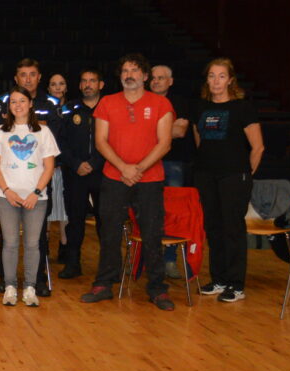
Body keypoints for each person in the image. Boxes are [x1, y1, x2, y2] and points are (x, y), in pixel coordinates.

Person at [81, 54, 176, 311]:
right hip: (115, 177)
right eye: (125, 70)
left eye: (134, 70)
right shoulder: (107, 103)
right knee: (109, 232)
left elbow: (165, 143)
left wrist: (138, 169)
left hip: (150, 179)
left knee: (152, 234)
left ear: (145, 76)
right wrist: (124, 168)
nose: (129, 75)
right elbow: (100, 141)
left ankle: (157, 288)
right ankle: (104, 284)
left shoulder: (161, 103)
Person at [192, 58, 264, 303]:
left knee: (232, 229)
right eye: (212, 76)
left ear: (230, 80)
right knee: (213, 228)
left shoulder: (243, 108)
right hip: (206, 175)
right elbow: (199, 140)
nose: (216, 81)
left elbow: (258, 147)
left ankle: (236, 284)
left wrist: (245, 174)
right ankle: (219, 279)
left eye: (221, 76)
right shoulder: (200, 107)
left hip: (234, 176)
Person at [0, 87, 59, 307]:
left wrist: (36, 193)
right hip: (6, 197)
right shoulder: (0, 131)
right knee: (10, 243)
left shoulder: (43, 132)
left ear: (30, 104)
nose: (18, 105)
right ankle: (10, 286)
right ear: (9, 106)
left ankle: (29, 287)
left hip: (36, 199)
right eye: (13, 102)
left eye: (22, 101)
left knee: (33, 244)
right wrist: (7, 191)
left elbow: (49, 167)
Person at [56, 68, 105, 278]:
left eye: (92, 81)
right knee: (75, 220)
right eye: (84, 81)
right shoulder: (69, 109)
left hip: (102, 172)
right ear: (79, 85)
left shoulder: (109, 107)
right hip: (75, 173)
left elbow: (114, 140)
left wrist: (94, 163)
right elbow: (60, 141)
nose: (88, 85)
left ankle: (107, 266)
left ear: (100, 85)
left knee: (105, 221)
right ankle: (73, 263)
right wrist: (76, 164)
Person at [150, 64, 194, 279]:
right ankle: (146, 260)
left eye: (161, 78)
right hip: (146, 164)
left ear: (171, 81)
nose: (156, 81)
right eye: (153, 78)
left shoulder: (180, 102)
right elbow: (172, 130)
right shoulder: (143, 100)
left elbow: (180, 130)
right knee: (146, 212)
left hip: (173, 164)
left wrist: (150, 129)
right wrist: (167, 128)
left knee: (173, 213)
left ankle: (169, 259)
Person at [45, 73, 69, 248]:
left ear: (66, 87)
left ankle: (64, 246)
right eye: (54, 84)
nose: (58, 87)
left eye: (61, 84)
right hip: (46, 166)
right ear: (48, 89)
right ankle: (44, 246)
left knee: (65, 211)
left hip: (66, 166)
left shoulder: (72, 108)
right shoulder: (43, 108)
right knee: (45, 210)